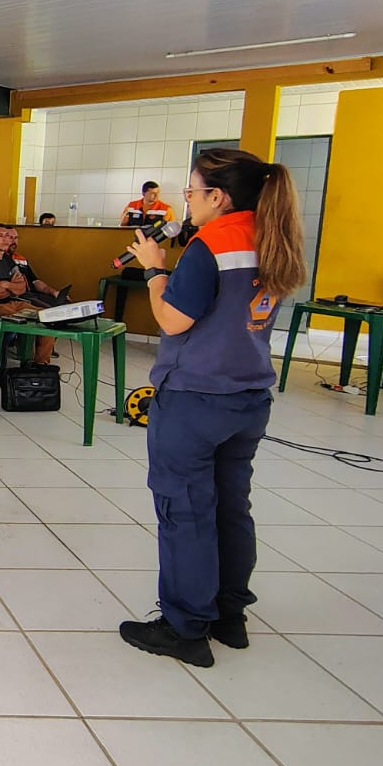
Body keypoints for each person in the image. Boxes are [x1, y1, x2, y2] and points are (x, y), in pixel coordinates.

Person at [118, 149, 306, 669]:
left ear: (217, 197)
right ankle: (228, 615)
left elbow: (172, 321)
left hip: (195, 398)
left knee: (184, 511)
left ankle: (185, 627)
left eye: (192, 191)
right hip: (248, 396)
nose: (188, 201)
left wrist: (155, 271)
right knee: (229, 506)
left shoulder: (212, 244)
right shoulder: (272, 235)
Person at [0, 223, 61, 365]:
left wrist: (6, 284)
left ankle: (40, 365)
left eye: (7, 236)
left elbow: (23, 288)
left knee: (49, 317)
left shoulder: (8, 260)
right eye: (0, 236)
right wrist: (12, 286)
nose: (5, 239)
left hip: (15, 301)